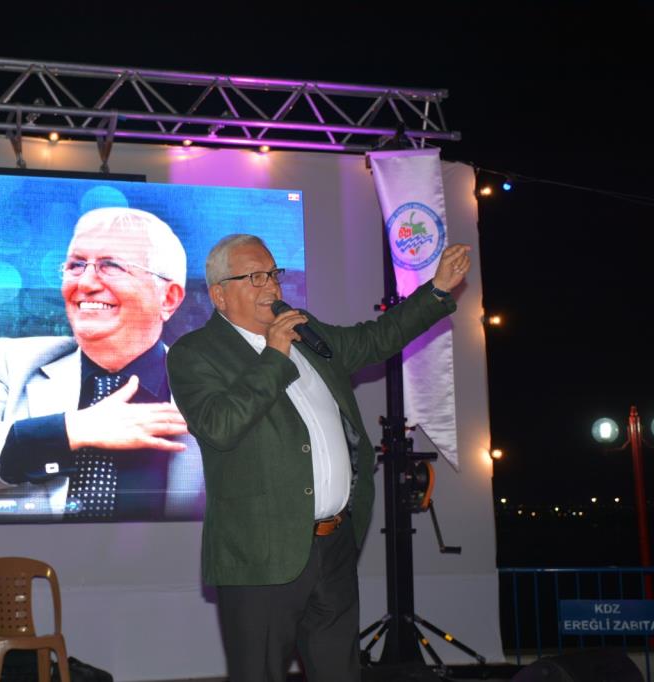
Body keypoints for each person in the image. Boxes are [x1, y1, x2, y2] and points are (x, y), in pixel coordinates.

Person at [166, 234, 471, 681]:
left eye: (273, 274)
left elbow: (374, 339)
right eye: (254, 277)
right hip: (262, 555)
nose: (271, 286)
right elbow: (219, 426)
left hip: (334, 545)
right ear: (219, 295)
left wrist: (437, 289)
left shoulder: (306, 333)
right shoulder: (195, 353)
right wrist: (275, 354)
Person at [0, 207, 203, 520]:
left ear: (168, 298)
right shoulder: (17, 365)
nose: (85, 282)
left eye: (111, 266)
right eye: (76, 265)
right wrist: (70, 430)